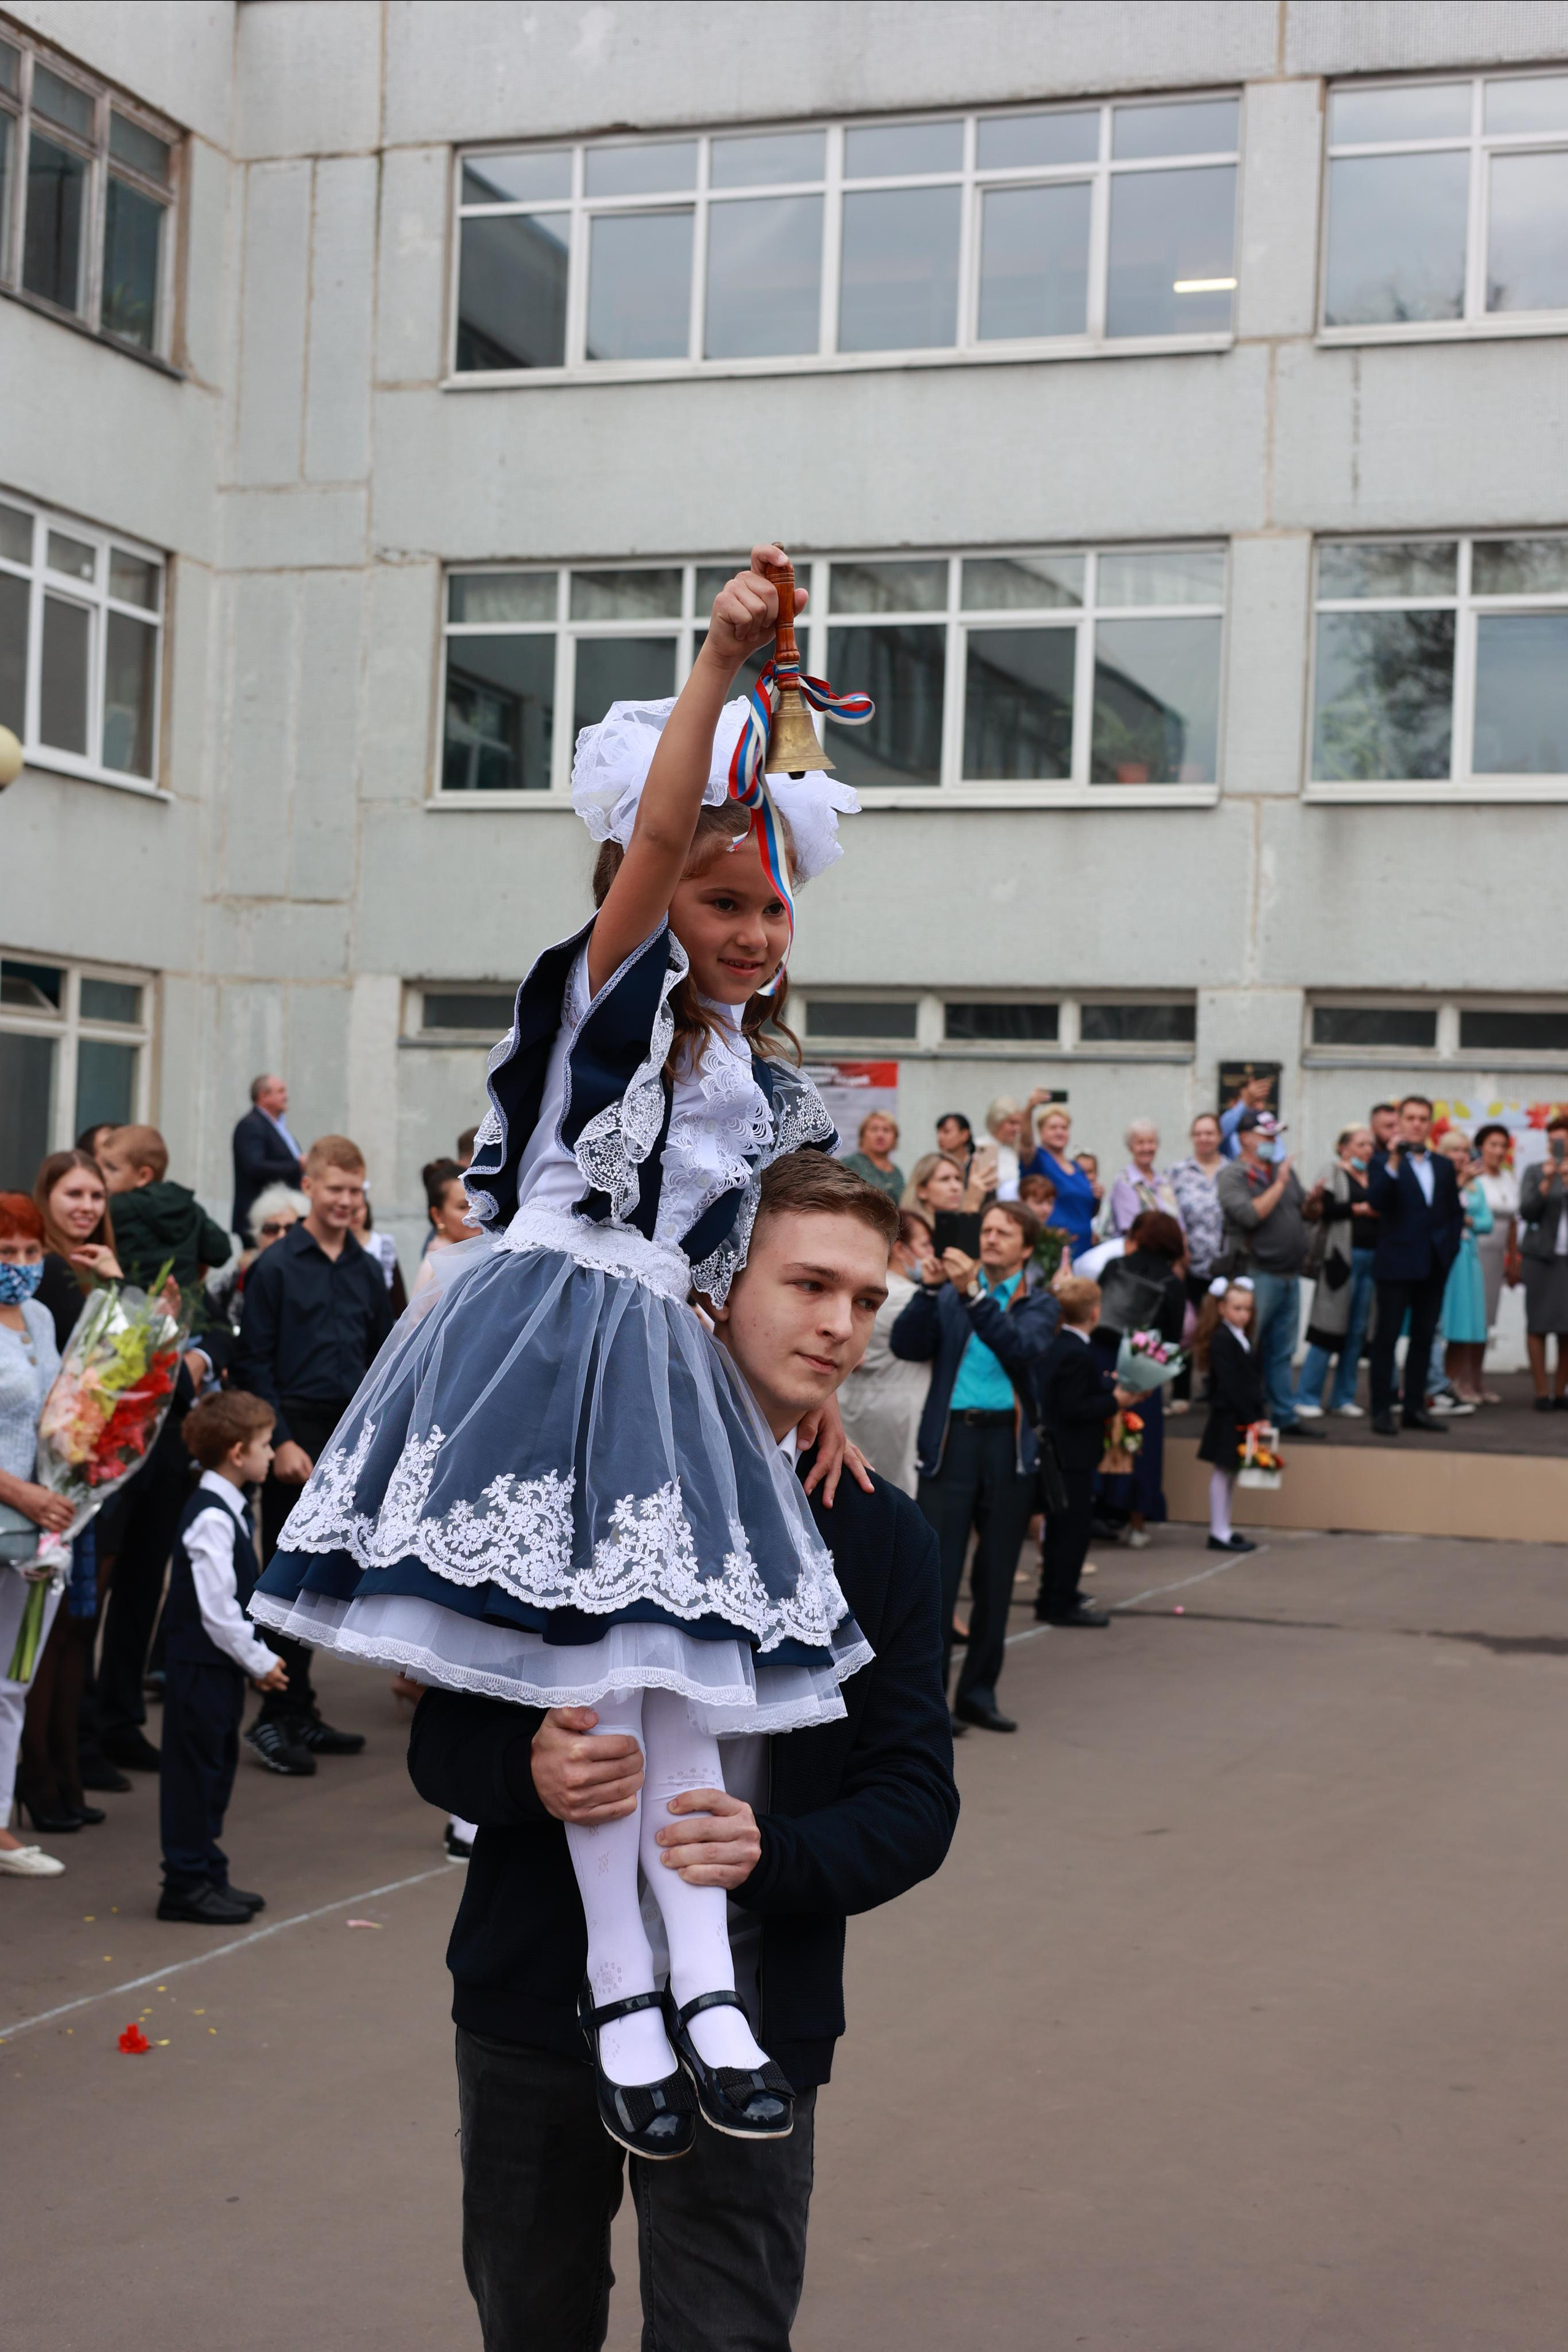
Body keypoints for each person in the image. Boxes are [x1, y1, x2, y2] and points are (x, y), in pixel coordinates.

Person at [254, 548, 880, 2152]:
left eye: (770, 904)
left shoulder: (751, 1079)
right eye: (719, 900)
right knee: (604, 1687)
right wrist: (724, 670)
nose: (752, 930)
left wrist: (802, 1410)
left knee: (674, 1677)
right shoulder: (599, 999)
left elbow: (735, 1273)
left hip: (661, 1370)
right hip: (547, 1342)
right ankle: (626, 1988)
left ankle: (705, 1983)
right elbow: (669, 820)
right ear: (643, 891)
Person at [407, 1148, 956, 2350]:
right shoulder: (554, 1491)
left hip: (749, 2029)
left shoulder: (875, 1539)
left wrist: (772, 1852)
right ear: (713, 1285)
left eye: (865, 1300)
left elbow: (915, 1799)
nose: (839, 1325)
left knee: (724, 2336)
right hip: (533, 2013)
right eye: (809, 1284)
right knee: (528, 2324)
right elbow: (442, 1741)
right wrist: (529, 1771)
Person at [235, 1134, 393, 1771]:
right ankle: (273, 1716)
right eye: (335, 1190)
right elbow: (254, 1362)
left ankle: (300, 1706)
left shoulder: (364, 1268)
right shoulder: (274, 1266)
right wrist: (282, 1442)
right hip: (293, 1441)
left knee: (324, 1583)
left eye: (355, 1192)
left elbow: (384, 1359)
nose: (346, 1202)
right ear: (310, 1186)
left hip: (347, 1443)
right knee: (285, 1579)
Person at [94, 1126, 233, 1774]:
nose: (100, 1181)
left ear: (136, 1177)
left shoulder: (116, 1214)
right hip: (154, 1404)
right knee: (136, 1581)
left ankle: (103, 1723)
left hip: (141, 1416)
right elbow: (218, 1249)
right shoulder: (187, 1206)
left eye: (107, 1167)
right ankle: (106, 1720)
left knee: (112, 1582)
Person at [891, 1199, 1058, 1733]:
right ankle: (931, 1700)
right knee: (937, 1577)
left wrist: (973, 1295)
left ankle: (979, 1694)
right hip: (953, 1444)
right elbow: (905, 1344)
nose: (990, 1239)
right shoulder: (951, 1293)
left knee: (996, 1578)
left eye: (1005, 1233)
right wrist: (934, 1289)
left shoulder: (1039, 1303)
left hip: (1006, 1449)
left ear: (1027, 1248)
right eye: (986, 1230)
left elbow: (1020, 1347)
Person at [18, 1153, 125, 1828]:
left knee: (70, 1633)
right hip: (47, 1479)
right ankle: (41, 1777)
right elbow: (96, 1364)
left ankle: (60, 1774)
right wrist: (114, 1298)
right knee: (46, 1640)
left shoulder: (87, 1268)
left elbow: (123, 1371)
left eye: (96, 1194)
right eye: (73, 1193)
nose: (86, 1205)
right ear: (47, 1198)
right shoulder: (50, 1273)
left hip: (88, 1472)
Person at [157, 1392, 292, 1924]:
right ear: (237, 1453)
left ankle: (206, 1868)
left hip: (215, 1668)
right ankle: (185, 1881)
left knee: (214, 1769)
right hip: (200, 1667)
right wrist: (258, 1659)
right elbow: (217, 1611)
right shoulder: (211, 1517)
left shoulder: (227, 1505)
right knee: (194, 1774)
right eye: (264, 1445)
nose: (269, 1453)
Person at [0, 1193, 74, 1878]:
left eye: (29, 1252)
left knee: (12, 1679)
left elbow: (62, 1409)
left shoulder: (45, 1316)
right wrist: (19, 1491)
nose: (20, 1267)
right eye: (6, 1255)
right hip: (14, 1509)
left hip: (43, 1527)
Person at [1035, 1277, 1138, 1624]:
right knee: (1071, 1533)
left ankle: (1058, 1592)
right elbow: (1076, 1408)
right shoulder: (1077, 1353)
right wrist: (1116, 1400)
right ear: (1095, 1312)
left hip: (1062, 1456)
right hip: (1072, 1457)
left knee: (1062, 1530)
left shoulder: (1060, 1346)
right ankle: (1059, 1602)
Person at [1215, 1114, 1319, 1441]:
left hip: (1289, 1273)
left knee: (1282, 1351)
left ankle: (1284, 1416)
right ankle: (1245, 1414)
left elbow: (1303, 1211)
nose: (1273, 1141)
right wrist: (1279, 1184)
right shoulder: (1233, 1175)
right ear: (1245, 1137)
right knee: (1249, 1348)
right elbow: (1249, 1215)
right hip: (1256, 1273)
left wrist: (1314, 1201)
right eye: (1266, 1135)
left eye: (1276, 1135)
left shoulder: (1281, 1172)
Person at [1366, 1094, 1464, 1436]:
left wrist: (1448, 1253)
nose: (1417, 1124)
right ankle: (1380, 1410)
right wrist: (1393, 1161)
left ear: (1429, 1124)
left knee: (1424, 1339)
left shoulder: (1441, 1164)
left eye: (1423, 1119)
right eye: (1410, 1118)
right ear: (1401, 1121)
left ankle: (1414, 1410)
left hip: (1433, 1265)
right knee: (1386, 1339)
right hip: (1396, 1264)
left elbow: (1453, 1212)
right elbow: (1377, 1201)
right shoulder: (1383, 1162)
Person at [1093, 1209, 1186, 1547]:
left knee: (1097, 1428)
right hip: (1144, 1367)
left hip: (1102, 1358)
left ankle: (1093, 1505)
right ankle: (1136, 1523)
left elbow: (1095, 1312)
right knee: (1140, 1443)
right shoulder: (1173, 1285)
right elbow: (1172, 1341)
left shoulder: (1115, 1267)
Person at [839, 1208, 933, 1496]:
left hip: (851, 1402)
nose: (932, 1253)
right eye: (926, 1245)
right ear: (901, 1249)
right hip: (899, 1409)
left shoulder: (858, 1287)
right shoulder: (906, 1296)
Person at [1293, 1126, 1378, 1419]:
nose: (1368, 1149)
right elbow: (1325, 1209)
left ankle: (1343, 1397)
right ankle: (1307, 1395)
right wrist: (1360, 1209)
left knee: (1357, 1331)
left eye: (1370, 1144)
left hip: (1372, 1260)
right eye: (1361, 1144)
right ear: (1344, 1148)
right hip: (1340, 1258)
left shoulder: (1375, 1174)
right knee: (1327, 1328)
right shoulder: (1333, 1171)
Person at [1194, 1278, 1266, 1553]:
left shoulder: (1241, 1337)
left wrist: (1259, 1412)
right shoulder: (1222, 1340)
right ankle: (1218, 1530)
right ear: (1222, 1308)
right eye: (1237, 1308)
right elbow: (1230, 1384)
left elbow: (1251, 1381)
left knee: (1230, 1471)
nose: (1243, 1315)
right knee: (1223, 1471)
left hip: (1240, 1414)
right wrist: (1251, 1415)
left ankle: (1223, 1526)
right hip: (1228, 1415)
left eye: (1247, 1309)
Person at [206, 1182, 307, 1333]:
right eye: (272, 1229)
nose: (281, 1236)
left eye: (290, 1228)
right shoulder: (237, 1279)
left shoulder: (316, 1277)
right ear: (258, 1237)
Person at [1518, 1114, 1568, 1410]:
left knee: (1567, 1328)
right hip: (1541, 1257)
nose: (1558, 1146)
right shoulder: (1536, 1171)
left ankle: (1560, 1392)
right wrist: (1548, 1181)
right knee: (1538, 1323)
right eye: (1554, 1142)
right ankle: (1540, 1392)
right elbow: (1527, 1211)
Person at [1471, 1124, 1520, 1401]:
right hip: (1474, 1252)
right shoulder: (1474, 1177)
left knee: (1486, 1321)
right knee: (1470, 1319)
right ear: (1481, 1147)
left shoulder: (1509, 1178)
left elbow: (1512, 1222)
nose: (1498, 1151)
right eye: (1493, 1145)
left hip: (1496, 1256)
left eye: (1503, 1146)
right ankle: (1461, 1379)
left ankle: (1478, 1380)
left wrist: (1513, 1257)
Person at [232, 1073, 304, 1242]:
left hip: (282, 1218)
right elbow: (255, 1166)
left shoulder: (277, 1127)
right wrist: (297, 1166)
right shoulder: (251, 1125)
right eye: (280, 1091)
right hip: (262, 1220)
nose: (286, 1096)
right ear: (263, 1097)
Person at [1168, 1112, 1228, 1290]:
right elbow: (1170, 1216)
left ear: (1220, 1136)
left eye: (1209, 1133)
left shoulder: (1233, 1172)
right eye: (1198, 1134)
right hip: (1188, 1267)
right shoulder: (1176, 1173)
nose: (1203, 1138)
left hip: (1226, 1267)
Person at [1030, 1105, 1099, 1255]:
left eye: (1064, 1128)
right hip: (1054, 1248)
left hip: (1084, 1245)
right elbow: (1025, 1144)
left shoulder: (1077, 1168)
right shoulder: (1038, 1159)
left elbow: (1086, 1210)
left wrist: (1097, 1197)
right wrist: (1029, 1108)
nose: (1059, 1132)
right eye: (1053, 1127)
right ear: (1041, 1131)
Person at [1107, 1119, 1182, 1236]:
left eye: (1151, 1142)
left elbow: (1179, 1225)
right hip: (1142, 1252)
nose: (1147, 1148)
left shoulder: (1164, 1182)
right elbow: (1132, 1229)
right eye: (1140, 1143)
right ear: (1130, 1147)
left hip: (1169, 1252)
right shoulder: (1125, 1182)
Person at [412, 1158, 473, 1295]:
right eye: (463, 1207)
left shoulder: (458, 1255)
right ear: (437, 1215)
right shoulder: (442, 1265)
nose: (473, 1214)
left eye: (477, 1203)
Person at [352, 1192, 408, 1316]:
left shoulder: (382, 1245)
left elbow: (398, 1299)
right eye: (351, 1209)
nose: (356, 1215)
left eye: (360, 1208)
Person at [842, 1109, 903, 1204]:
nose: (880, 1135)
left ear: (895, 1139)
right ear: (862, 1137)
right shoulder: (848, 1165)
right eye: (874, 1129)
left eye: (886, 1130)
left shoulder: (897, 1173)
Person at [1219, 1069, 1276, 1158]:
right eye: (1250, 1100)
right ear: (1233, 1104)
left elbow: (1279, 1155)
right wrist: (1246, 1102)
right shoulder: (1230, 1128)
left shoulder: (1269, 1126)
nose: (1254, 1105)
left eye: (1259, 1101)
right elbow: (1221, 1130)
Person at [934, 1112, 974, 1182]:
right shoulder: (934, 1166)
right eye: (939, 1132)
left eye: (946, 1132)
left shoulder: (975, 1166)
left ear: (964, 1135)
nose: (940, 1138)